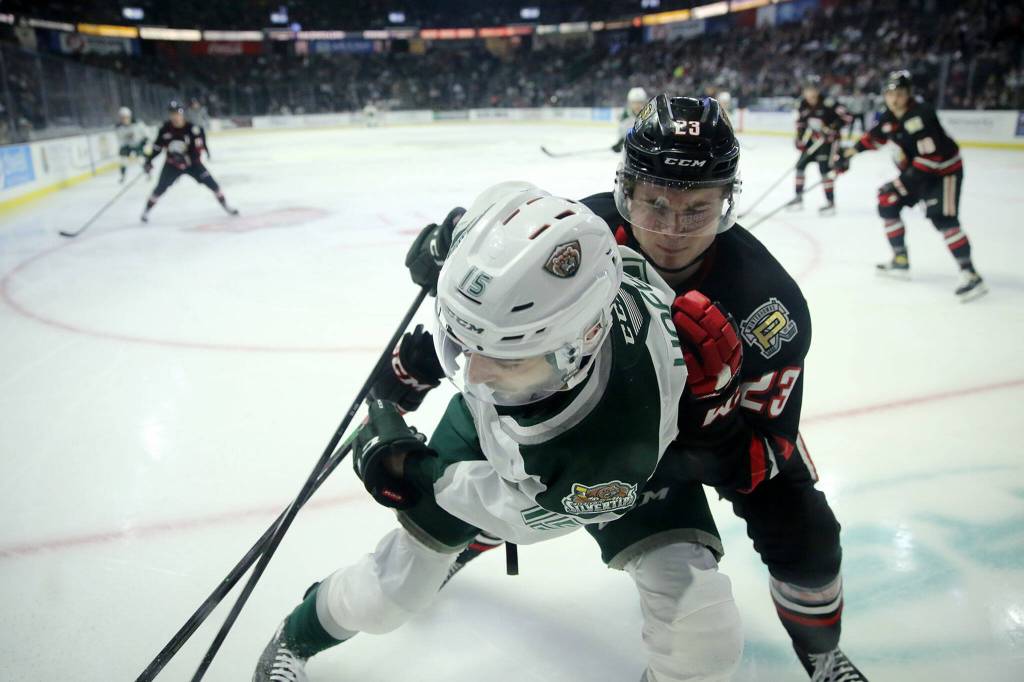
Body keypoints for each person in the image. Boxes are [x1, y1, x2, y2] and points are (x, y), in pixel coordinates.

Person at [407, 95, 868, 681]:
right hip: (607, 412)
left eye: (696, 209)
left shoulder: (769, 312)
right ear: (627, 190)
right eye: (655, 204)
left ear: (727, 202)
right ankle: (470, 537)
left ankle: (821, 654)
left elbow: (765, 451)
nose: (672, 231)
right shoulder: (578, 235)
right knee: (518, 471)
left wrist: (713, 414)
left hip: (708, 441)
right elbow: (497, 309)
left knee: (808, 534)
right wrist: (452, 259)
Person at [253, 182, 744, 682]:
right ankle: (296, 634)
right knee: (396, 589)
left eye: (509, 358)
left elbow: (520, 517)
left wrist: (410, 467)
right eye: (465, 343)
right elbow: (521, 237)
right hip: (590, 449)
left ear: (580, 344)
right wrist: (460, 256)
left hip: (608, 468)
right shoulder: (589, 285)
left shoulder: (595, 449)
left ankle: (325, 618)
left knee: (700, 639)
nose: (476, 376)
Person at [839, 70, 986, 301]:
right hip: (916, 172)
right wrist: (848, 154)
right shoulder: (890, 116)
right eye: (890, 94)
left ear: (908, 94)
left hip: (943, 173)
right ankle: (900, 260)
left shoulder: (922, 115)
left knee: (943, 219)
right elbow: (873, 137)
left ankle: (970, 273)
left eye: (899, 93)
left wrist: (898, 182)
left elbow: (930, 160)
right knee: (887, 203)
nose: (894, 99)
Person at [140, 100, 238, 223]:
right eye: (172, 113)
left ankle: (226, 206)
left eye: (178, 113)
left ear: (182, 114)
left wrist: (186, 158)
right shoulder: (165, 129)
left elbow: (197, 149)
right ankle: (146, 211)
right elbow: (157, 147)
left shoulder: (192, 129)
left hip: (193, 165)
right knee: (160, 188)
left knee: (214, 185)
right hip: (172, 165)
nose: (175, 116)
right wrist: (149, 161)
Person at [789, 75, 850, 215]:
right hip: (814, 140)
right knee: (800, 166)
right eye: (807, 90)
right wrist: (799, 138)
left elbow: (847, 116)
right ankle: (798, 198)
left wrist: (833, 128)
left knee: (825, 170)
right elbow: (801, 123)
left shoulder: (829, 103)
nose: (810, 93)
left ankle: (830, 202)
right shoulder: (803, 104)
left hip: (829, 142)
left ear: (818, 90)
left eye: (813, 89)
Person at [114, 106, 148, 184]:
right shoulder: (119, 127)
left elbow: (145, 133)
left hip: (137, 144)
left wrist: (144, 141)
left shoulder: (138, 124)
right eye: (122, 118)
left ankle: (147, 172)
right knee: (123, 160)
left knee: (141, 159)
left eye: (126, 117)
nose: (124, 119)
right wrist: (124, 145)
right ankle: (122, 176)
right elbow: (120, 139)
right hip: (126, 145)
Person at [611, 86, 649, 153]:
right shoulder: (625, 117)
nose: (637, 106)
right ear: (630, 103)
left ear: (644, 103)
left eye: (640, 102)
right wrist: (620, 143)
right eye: (634, 103)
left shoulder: (649, 116)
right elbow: (623, 134)